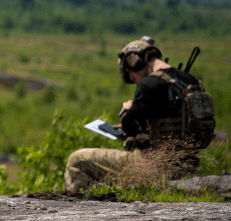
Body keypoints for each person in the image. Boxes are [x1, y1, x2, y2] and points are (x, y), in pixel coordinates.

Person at [63, 38, 214, 192]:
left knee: (77, 160)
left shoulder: (148, 84)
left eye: (133, 77)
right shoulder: (190, 81)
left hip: (154, 168)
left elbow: (129, 126)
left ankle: (78, 208)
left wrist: (127, 110)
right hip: (188, 168)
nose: (136, 82)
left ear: (135, 63)